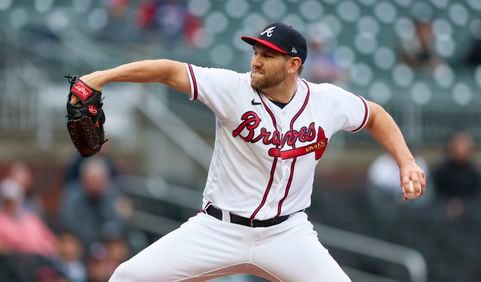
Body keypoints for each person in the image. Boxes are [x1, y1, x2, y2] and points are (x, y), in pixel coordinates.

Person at [72, 22, 426, 281]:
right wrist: (102, 76)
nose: (256, 61)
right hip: (218, 229)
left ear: (293, 64)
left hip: (287, 234)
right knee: (128, 278)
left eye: (267, 55)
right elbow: (168, 71)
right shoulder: (232, 89)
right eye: (255, 52)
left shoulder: (326, 101)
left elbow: (375, 115)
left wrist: (406, 161)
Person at [59, 157, 126, 256]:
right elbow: (68, 221)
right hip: (79, 240)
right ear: (84, 180)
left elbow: (120, 220)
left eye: (98, 181)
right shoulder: (72, 195)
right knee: (69, 246)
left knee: (118, 250)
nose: (95, 185)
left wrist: (107, 232)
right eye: (92, 180)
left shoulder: (113, 195)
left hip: (107, 240)